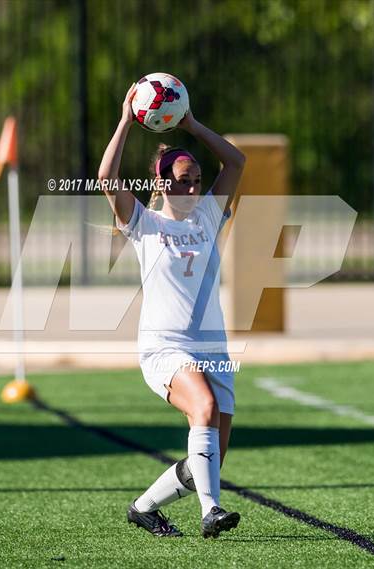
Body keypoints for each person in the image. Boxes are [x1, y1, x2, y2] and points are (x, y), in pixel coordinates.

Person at [98, 83, 246, 538]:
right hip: (165, 348)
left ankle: (144, 507)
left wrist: (191, 123)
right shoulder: (145, 222)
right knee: (201, 408)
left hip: (213, 347)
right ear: (161, 182)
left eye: (197, 179)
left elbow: (237, 162)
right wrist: (126, 119)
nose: (193, 186)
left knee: (209, 456)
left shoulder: (208, 217)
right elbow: (106, 179)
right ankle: (211, 512)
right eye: (183, 179)